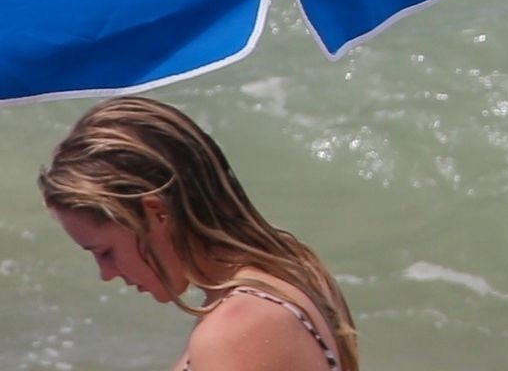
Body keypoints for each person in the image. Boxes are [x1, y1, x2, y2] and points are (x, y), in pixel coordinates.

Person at [40, 96, 356, 371]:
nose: (106, 273)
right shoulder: (292, 271)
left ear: (156, 212)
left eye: (105, 252)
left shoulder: (238, 329)